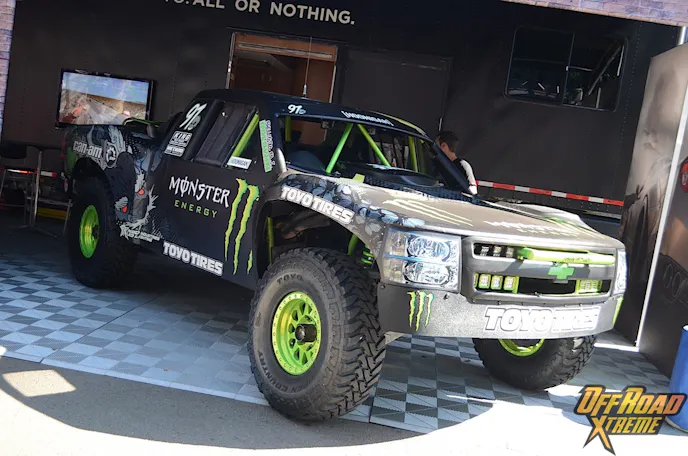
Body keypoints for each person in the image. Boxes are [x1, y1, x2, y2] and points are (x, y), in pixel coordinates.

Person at [435, 131, 478, 195]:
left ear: (444, 145)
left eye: (436, 146)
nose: (434, 149)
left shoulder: (463, 165)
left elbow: (473, 190)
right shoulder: (437, 165)